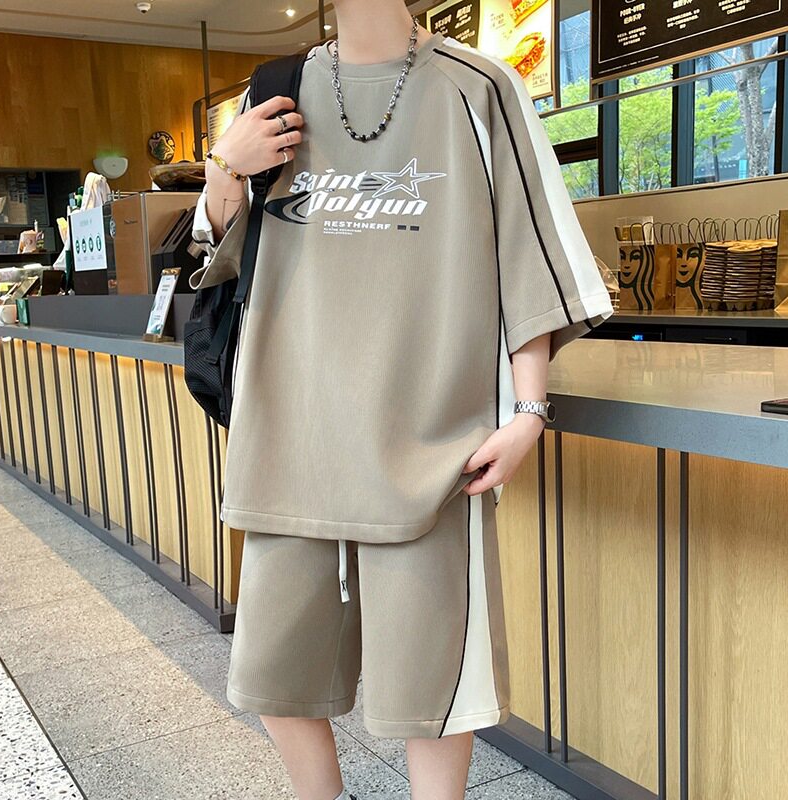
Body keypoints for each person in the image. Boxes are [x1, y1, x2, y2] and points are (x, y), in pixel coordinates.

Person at [190, 2, 613, 798]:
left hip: (431, 443)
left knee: (433, 696)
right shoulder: (275, 89)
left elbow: (529, 257)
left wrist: (529, 412)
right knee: (272, 677)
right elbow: (221, 252)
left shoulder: (478, 86)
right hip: (291, 436)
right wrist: (225, 164)